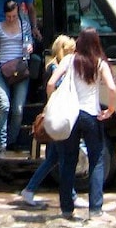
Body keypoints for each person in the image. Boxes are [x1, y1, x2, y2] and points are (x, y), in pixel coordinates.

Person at [45, 27, 116, 220]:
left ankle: (67, 208)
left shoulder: (69, 60)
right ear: (96, 43)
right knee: (96, 161)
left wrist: (53, 103)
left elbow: (51, 83)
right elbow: (111, 87)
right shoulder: (99, 63)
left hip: (71, 116)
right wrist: (109, 110)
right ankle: (95, 209)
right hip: (91, 116)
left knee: (68, 162)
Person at [19, 35, 88, 209]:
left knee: (54, 158)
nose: (74, 54)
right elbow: (53, 88)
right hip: (58, 117)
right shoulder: (57, 68)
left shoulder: (56, 66)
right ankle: (68, 196)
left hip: (57, 118)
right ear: (64, 51)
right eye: (71, 51)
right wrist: (53, 105)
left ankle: (30, 190)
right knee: (63, 158)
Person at [0, 0, 33, 159]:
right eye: (9, 16)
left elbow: (29, 43)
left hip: (20, 70)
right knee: (4, 105)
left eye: (14, 16)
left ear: (17, 13)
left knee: (18, 109)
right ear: (4, 15)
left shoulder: (25, 25)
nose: (11, 19)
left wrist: (30, 47)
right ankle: (1, 146)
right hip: (2, 69)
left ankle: (12, 140)